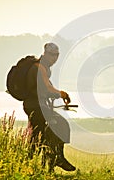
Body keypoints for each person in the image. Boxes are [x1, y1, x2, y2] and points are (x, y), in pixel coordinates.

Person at [23, 42, 76, 171]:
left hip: (38, 105)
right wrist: (61, 94)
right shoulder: (39, 67)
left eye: (57, 55)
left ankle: (50, 160)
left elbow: (47, 87)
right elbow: (47, 88)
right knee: (57, 126)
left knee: (42, 134)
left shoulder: (44, 67)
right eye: (52, 55)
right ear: (45, 54)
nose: (54, 58)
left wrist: (56, 94)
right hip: (35, 106)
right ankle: (53, 159)